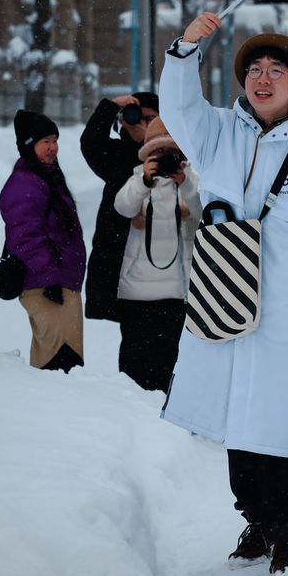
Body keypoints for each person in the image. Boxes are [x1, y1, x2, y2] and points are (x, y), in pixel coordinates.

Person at [158, 12, 288, 576]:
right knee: (239, 418)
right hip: (224, 298)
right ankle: (255, 518)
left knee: (283, 421)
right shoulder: (218, 133)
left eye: (278, 70)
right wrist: (185, 50)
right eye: (254, 69)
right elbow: (176, 109)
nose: (263, 78)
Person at [113, 116, 201, 392]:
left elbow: (203, 212)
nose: (164, 160)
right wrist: (144, 181)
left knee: (171, 364)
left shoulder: (190, 180)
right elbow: (123, 207)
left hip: (177, 292)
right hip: (138, 292)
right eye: (158, 153)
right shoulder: (139, 179)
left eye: (171, 153)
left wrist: (184, 182)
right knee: (135, 366)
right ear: (148, 155)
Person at [0, 110, 86, 373]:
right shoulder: (25, 183)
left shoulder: (46, 178)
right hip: (45, 285)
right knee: (58, 361)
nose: (53, 147)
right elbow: (26, 237)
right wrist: (50, 278)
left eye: (55, 140)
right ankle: (54, 413)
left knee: (62, 359)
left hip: (59, 283)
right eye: (45, 141)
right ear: (28, 145)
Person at [80, 92, 159, 325]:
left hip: (164, 272)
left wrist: (150, 142)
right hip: (123, 267)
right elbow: (91, 143)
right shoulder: (117, 156)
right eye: (138, 117)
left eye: (152, 119)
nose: (144, 124)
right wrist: (111, 107)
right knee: (133, 348)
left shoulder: (175, 155)